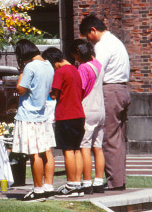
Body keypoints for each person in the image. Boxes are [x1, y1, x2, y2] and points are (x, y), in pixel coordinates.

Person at [79, 14, 130, 191]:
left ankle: (113, 181)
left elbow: (95, 70)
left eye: (87, 36)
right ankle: (118, 179)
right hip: (122, 89)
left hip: (110, 90)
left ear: (93, 30)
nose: (88, 41)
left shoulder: (103, 45)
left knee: (107, 137)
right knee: (117, 137)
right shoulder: (116, 41)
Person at [12, 39, 55, 201]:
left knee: (34, 153)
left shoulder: (30, 67)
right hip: (43, 114)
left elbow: (20, 89)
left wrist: (21, 71)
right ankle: (48, 186)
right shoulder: (48, 65)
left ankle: (37, 190)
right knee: (47, 151)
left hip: (29, 115)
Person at [41, 47, 85, 197]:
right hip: (79, 114)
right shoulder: (75, 69)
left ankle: (71, 184)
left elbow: (54, 95)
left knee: (67, 151)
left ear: (54, 61)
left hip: (66, 115)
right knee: (77, 150)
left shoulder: (60, 72)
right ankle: (77, 184)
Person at [70, 39, 105, 195]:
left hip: (88, 108)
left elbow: (80, 88)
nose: (75, 59)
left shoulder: (83, 68)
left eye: (75, 55)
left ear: (78, 53)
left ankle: (86, 181)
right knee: (98, 146)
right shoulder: (98, 64)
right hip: (100, 109)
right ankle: (98, 180)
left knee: (84, 146)